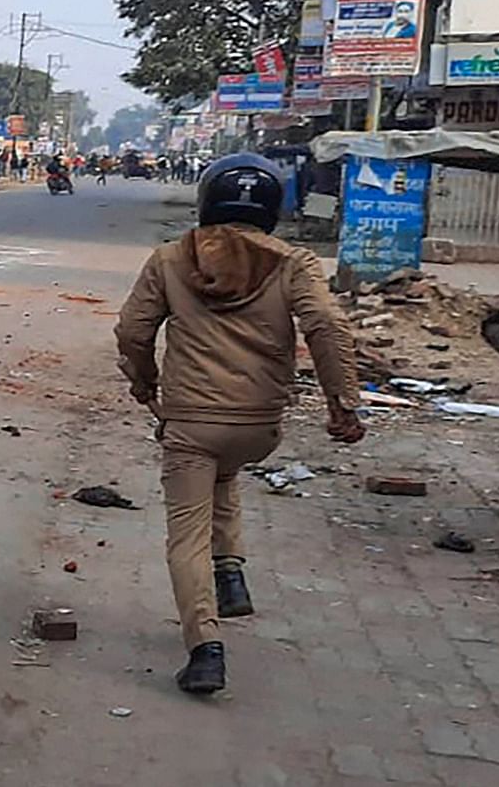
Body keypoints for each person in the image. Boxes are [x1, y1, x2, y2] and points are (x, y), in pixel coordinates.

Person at [114, 153, 363, 697]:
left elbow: (133, 331)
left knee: (186, 531)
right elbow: (325, 323)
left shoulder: (169, 259)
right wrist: (342, 401)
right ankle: (230, 572)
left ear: (206, 200)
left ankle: (205, 648)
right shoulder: (294, 261)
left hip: (191, 421)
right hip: (259, 426)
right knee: (224, 472)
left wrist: (144, 383)